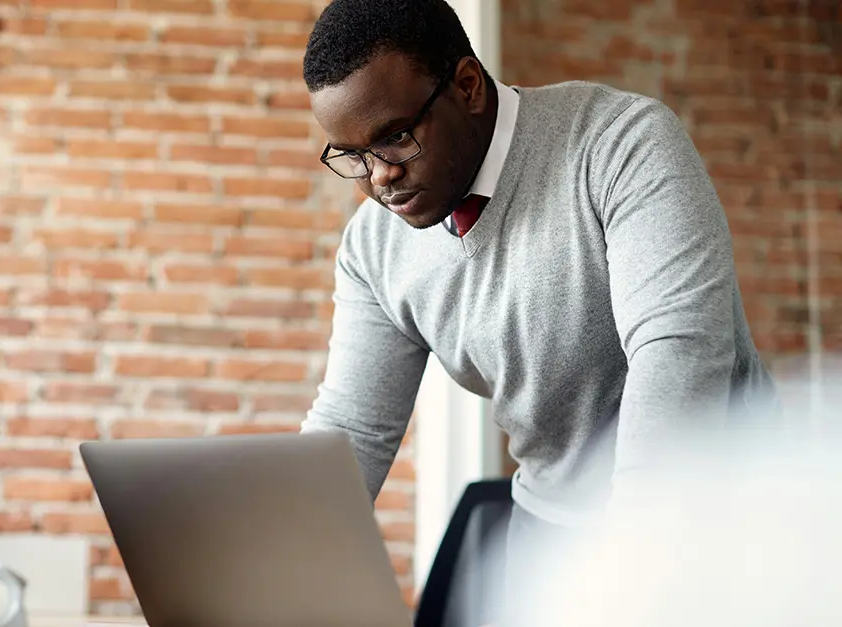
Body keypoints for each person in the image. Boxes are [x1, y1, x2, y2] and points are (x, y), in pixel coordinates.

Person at [297, 0, 779, 621]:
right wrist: (276, 569)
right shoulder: (374, 247)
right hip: (550, 536)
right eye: (352, 156)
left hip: (724, 524)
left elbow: (677, 356)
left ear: (467, 86)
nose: (379, 178)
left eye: (396, 138)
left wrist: (633, 566)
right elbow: (354, 428)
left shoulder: (620, 144)